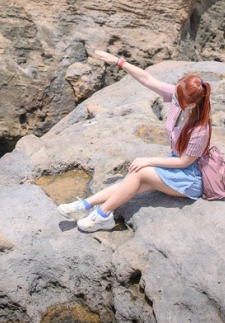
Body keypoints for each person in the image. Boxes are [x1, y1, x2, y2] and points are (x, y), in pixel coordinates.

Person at [57, 50, 211, 232]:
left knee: (139, 172)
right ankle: (84, 205)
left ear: (191, 105)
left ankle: (103, 215)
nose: (173, 97)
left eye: (177, 95)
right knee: (132, 183)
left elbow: (184, 161)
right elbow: (147, 79)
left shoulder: (200, 129)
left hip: (189, 178)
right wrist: (119, 62)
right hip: (176, 166)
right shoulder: (180, 100)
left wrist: (148, 160)